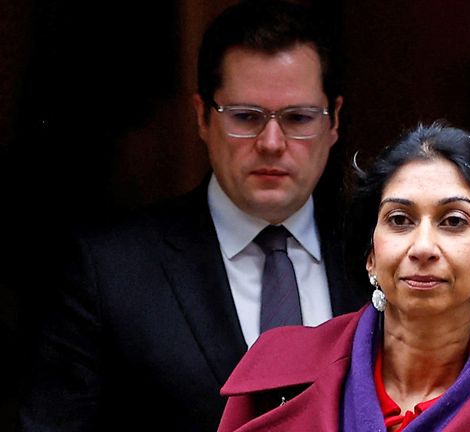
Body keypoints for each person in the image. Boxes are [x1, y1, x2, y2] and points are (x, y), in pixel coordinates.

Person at [19, 1, 367, 430]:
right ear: (202, 117)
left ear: (334, 122)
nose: (272, 142)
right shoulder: (109, 269)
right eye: (245, 117)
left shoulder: (376, 260)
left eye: (298, 118)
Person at [217, 123, 470, 432]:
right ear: (370, 256)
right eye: (400, 220)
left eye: (453, 221)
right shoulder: (276, 376)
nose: (422, 247)